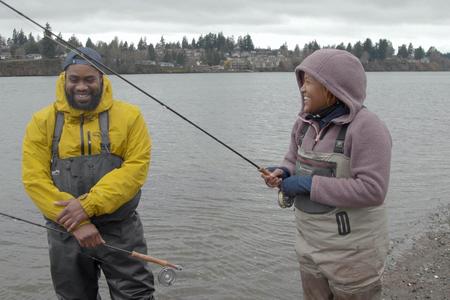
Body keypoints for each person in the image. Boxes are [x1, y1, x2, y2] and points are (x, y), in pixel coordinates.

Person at [22, 47, 155, 300]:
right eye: (74, 79)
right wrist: (78, 223)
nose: (81, 87)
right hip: (67, 231)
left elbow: (136, 168)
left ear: (102, 80)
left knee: (137, 295)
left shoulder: (130, 116)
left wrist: (88, 206)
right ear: (64, 79)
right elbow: (34, 179)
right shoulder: (42, 121)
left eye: (89, 79)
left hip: (120, 229)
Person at [261, 49, 392, 300]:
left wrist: (308, 184)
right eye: (302, 81)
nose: (302, 89)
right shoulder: (303, 124)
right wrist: (284, 171)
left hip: (354, 255)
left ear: (333, 88)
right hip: (309, 247)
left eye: (309, 82)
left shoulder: (368, 128)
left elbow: (373, 190)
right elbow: (292, 157)